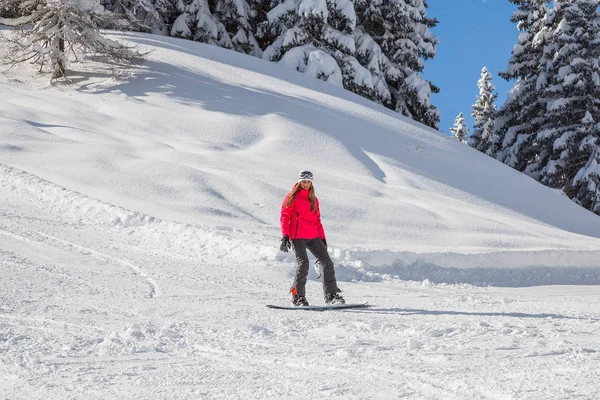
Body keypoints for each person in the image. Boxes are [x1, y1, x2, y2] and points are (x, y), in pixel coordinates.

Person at [279, 170, 344, 306]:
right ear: (299, 182)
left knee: (327, 263)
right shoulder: (291, 197)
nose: (306, 184)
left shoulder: (313, 199)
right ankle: (298, 297)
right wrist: (285, 235)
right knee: (304, 264)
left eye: (308, 181)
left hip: (313, 236)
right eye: (303, 181)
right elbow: (285, 216)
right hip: (297, 237)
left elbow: (317, 220)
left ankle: (331, 296)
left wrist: (323, 238)